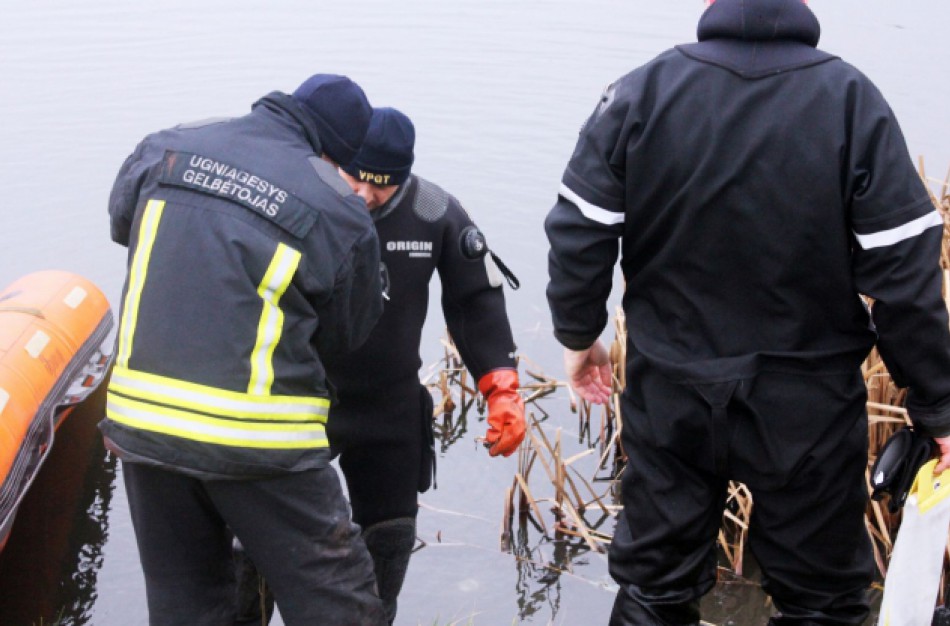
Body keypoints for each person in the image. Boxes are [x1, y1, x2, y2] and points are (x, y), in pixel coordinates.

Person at [544, 1, 950, 624]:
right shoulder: (849, 99)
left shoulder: (640, 92)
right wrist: (938, 405)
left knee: (655, 591)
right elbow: (904, 278)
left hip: (672, 395)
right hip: (806, 409)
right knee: (823, 602)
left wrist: (579, 337)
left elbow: (580, 229)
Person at [101, 73, 388, 626]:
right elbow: (346, 334)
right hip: (257, 436)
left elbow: (123, 226)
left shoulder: (165, 146)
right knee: (340, 602)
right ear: (333, 155)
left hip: (141, 420)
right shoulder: (334, 206)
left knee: (186, 603)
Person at [331, 106, 526, 623]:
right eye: (357, 179)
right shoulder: (309, 198)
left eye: (383, 187)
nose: (366, 195)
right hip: (305, 399)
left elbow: (474, 301)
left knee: (389, 545)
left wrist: (501, 387)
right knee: (255, 549)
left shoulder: (434, 209)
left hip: (389, 407)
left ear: (405, 176)